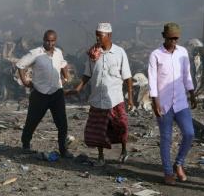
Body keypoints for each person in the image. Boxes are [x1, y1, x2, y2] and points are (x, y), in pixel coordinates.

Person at [72, 22, 133, 164]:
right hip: (97, 98)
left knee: (121, 126)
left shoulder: (119, 52)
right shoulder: (93, 53)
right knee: (98, 129)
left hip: (115, 98)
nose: (98, 39)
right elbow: (87, 74)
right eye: (97, 36)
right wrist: (79, 88)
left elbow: (128, 77)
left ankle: (124, 150)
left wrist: (130, 99)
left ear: (109, 36)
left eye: (100, 36)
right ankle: (101, 156)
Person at [148, 22, 196, 185]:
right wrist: (155, 102)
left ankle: (179, 163)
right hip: (164, 103)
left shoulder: (183, 53)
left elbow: (186, 74)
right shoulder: (156, 55)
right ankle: (168, 172)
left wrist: (192, 93)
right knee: (166, 139)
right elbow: (152, 80)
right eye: (171, 38)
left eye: (176, 39)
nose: (174, 42)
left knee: (189, 133)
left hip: (181, 101)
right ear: (164, 37)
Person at [15, 29, 71, 157]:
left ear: (55, 41)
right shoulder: (35, 53)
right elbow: (20, 65)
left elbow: (63, 65)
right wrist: (24, 81)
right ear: (43, 40)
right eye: (47, 40)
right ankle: (25, 144)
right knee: (32, 121)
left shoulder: (58, 52)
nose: (49, 43)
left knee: (62, 123)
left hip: (56, 92)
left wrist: (66, 78)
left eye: (52, 41)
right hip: (40, 93)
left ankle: (63, 149)